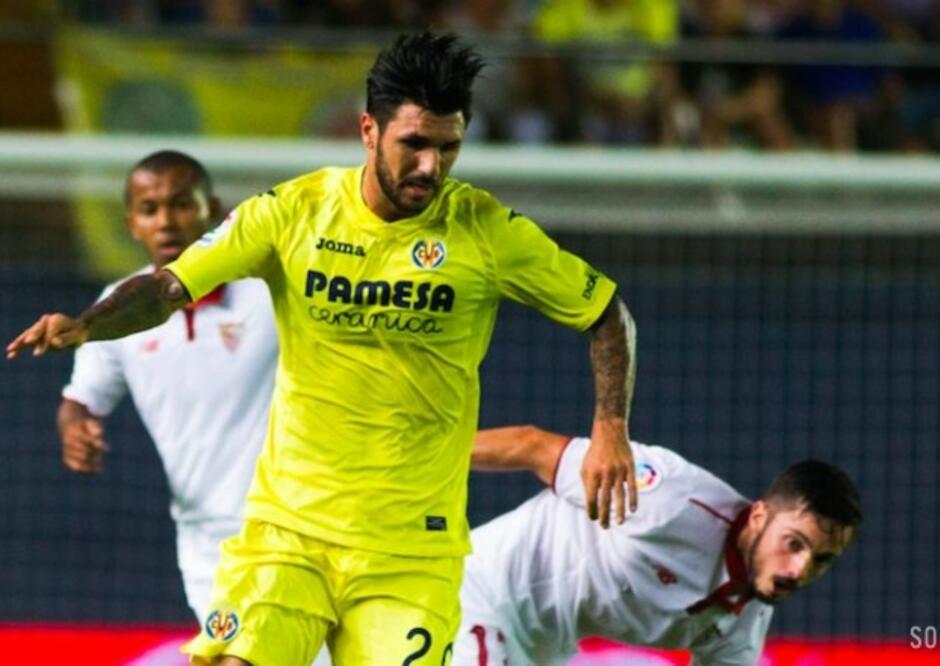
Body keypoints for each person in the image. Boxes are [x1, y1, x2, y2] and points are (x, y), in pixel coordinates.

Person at [7, 32, 638, 666]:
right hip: (289, 534)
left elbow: (607, 313)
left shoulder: (488, 232)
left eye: (448, 148)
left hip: (410, 552)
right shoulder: (293, 213)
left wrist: (610, 425)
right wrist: (88, 325)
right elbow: (168, 287)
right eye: (413, 144)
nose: (430, 167)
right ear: (369, 130)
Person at [58, 150, 282, 624]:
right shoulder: (115, 311)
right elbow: (81, 401)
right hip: (206, 545)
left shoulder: (270, 292)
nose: (166, 222)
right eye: (149, 209)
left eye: (181, 204)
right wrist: (76, 430)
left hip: (293, 527)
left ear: (214, 210)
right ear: (132, 224)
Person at [455, 425, 862, 665]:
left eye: (822, 560)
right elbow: (532, 446)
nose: (800, 570)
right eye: (794, 543)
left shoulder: (743, 626)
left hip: (539, 650)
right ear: (758, 517)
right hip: (480, 594)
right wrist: (414, 461)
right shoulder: (668, 497)